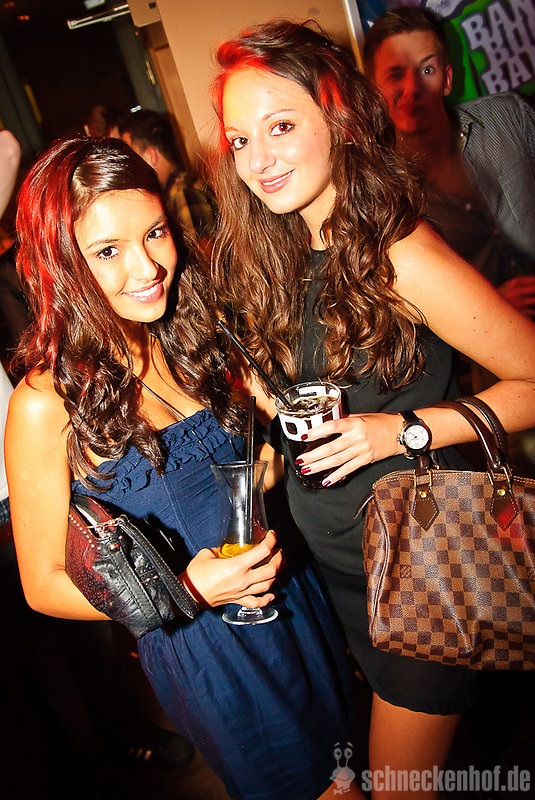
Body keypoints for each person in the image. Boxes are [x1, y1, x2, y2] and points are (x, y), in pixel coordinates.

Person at [209, 19, 535, 799]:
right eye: (240, 140)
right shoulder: (291, 251)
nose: (258, 160)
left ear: (340, 120)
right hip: (345, 568)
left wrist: (403, 429)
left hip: (425, 565)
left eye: (281, 127)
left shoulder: (400, 253)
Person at [5, 136, 361, 800]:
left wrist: (277, 452)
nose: (146, 267)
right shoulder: (44, 402)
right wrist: (186, 590)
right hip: (209, 647)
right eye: (107, 251)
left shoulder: (191, 336)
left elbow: (250, 462)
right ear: (61, 265)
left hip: (294, 600)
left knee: (356, 768)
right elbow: (41, 584)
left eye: (154, 234)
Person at [362, 6, 535, 319]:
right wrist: (491, 306)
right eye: (396, 74)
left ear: (447, 79)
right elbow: (398, 309)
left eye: (427, 70)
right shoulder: (377, 191)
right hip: (489, 340)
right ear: (374, 90)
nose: (413, 88)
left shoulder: (509, 116)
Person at [119, 109, 217, 244]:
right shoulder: (172, 192)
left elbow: (204, 251)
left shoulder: (183, 192)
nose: (129, 165)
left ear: (151, 156)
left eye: (133, 156)